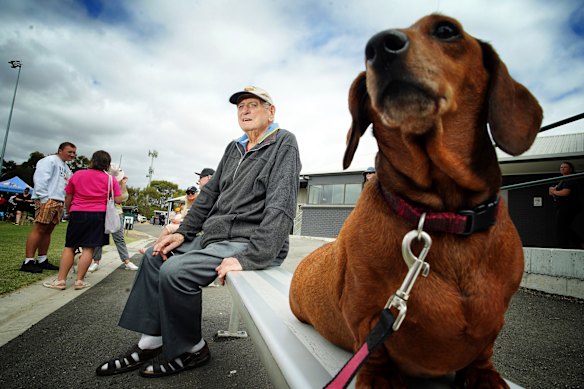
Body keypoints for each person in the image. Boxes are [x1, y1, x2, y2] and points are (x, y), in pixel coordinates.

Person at [95, 86, 301, 378]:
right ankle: (151, 341)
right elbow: (209, 195)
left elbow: (281, 206)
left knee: (176, 271)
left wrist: (252, 256)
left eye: (253, 105)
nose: (245, 110)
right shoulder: (234, 147)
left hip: (250, 241)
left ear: (271, 111)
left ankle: (192, 348)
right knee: (156, 255)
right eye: (241, 106)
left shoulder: (284, 143)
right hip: (217, 237)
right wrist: (184, 231)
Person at [43, 150, 122, 290]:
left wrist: (68, 211)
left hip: (78, 212)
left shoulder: (78, 174)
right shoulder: (110, 179)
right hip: (99, 216)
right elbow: (118, 200)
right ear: (108, 164)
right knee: (89, 248)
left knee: (70, 246)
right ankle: (79, 280)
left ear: (92, 160)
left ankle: (61, 280)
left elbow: (68, 196)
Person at [19, 142, 77, 273]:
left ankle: (42, 259)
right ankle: (28, 261)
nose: (72, 155)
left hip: (59, 199)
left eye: (74, 153)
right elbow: (40, 178)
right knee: (39, 228)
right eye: (70, 152)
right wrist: (44, 198)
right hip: (48, 198)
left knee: (48, 230)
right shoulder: (49, 160)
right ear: (60, 150)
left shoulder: (66, 167)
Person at [88, 163, 139, 272]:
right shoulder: (101, 182)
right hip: (101, 212)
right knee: (99, 238)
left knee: (119, 238)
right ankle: (95, 261)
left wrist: (123, 184)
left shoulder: (119, 184)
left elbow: (124, 198)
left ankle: (126, 261)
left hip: (116, 213)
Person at [549, 161, 582, 249]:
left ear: (570, 169)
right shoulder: (561, 180)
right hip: (561, 207)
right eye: (561, 167)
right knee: (561, 227)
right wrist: (554, 191)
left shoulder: (570, 179)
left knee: (562, 226)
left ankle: (570, 244)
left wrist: (554, 191)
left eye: (565, 167)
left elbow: (565, 193)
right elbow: (550, 191)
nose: (562, 169)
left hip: (569, 207)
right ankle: (566, 245)